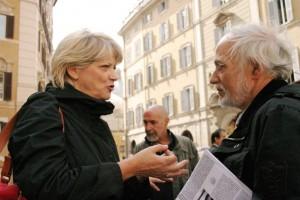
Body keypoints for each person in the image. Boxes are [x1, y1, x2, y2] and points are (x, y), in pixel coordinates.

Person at [8, 30, 188, 200]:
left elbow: (103, 190)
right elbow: (46, 187)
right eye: (105, 67)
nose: (115, 76)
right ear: (73, 70)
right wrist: (131, 166)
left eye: (115, 67)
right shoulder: (44, 109)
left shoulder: (97, 122)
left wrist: (139, 177)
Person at [210, 23, 300, 199]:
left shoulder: (279, 115)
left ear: (255, 69)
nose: (213, 78)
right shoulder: (267, 113)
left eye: (221, 67)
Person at [134, 105, 199, 200]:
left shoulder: (186, 144)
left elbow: (198, 176)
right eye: (145, 122)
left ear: (166, 122)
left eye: (153, 122)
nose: (148, 128)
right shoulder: (139, 150)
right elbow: (134, 187)